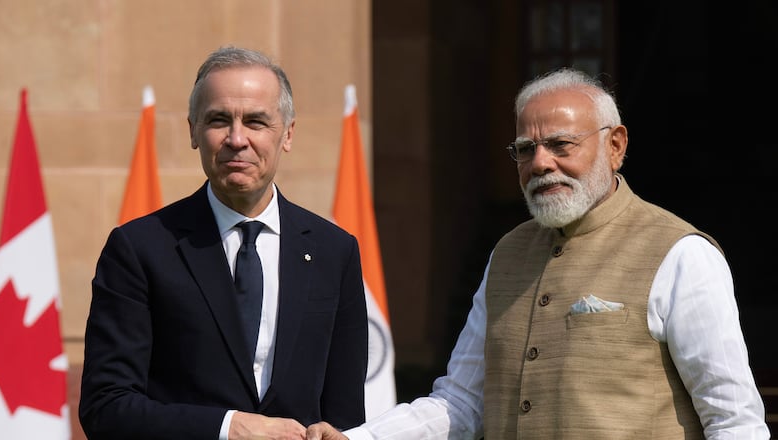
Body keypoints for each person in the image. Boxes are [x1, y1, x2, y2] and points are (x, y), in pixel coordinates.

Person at [306, 67, 771, 439]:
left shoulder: (680, 254)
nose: (541, 163)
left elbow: (734, 421)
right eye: (525, 149)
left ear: (616, 146)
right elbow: (462, 402)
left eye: (561, 144)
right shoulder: (507, 253)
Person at [79, 46, 369, 440]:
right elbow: (106, 407)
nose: (237, 138)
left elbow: (347, 415)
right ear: (193, 131)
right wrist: (227, 427)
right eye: (219, 120)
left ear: (287, 134)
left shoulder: (335, 251)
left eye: (256, 121)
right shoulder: (139, 248)